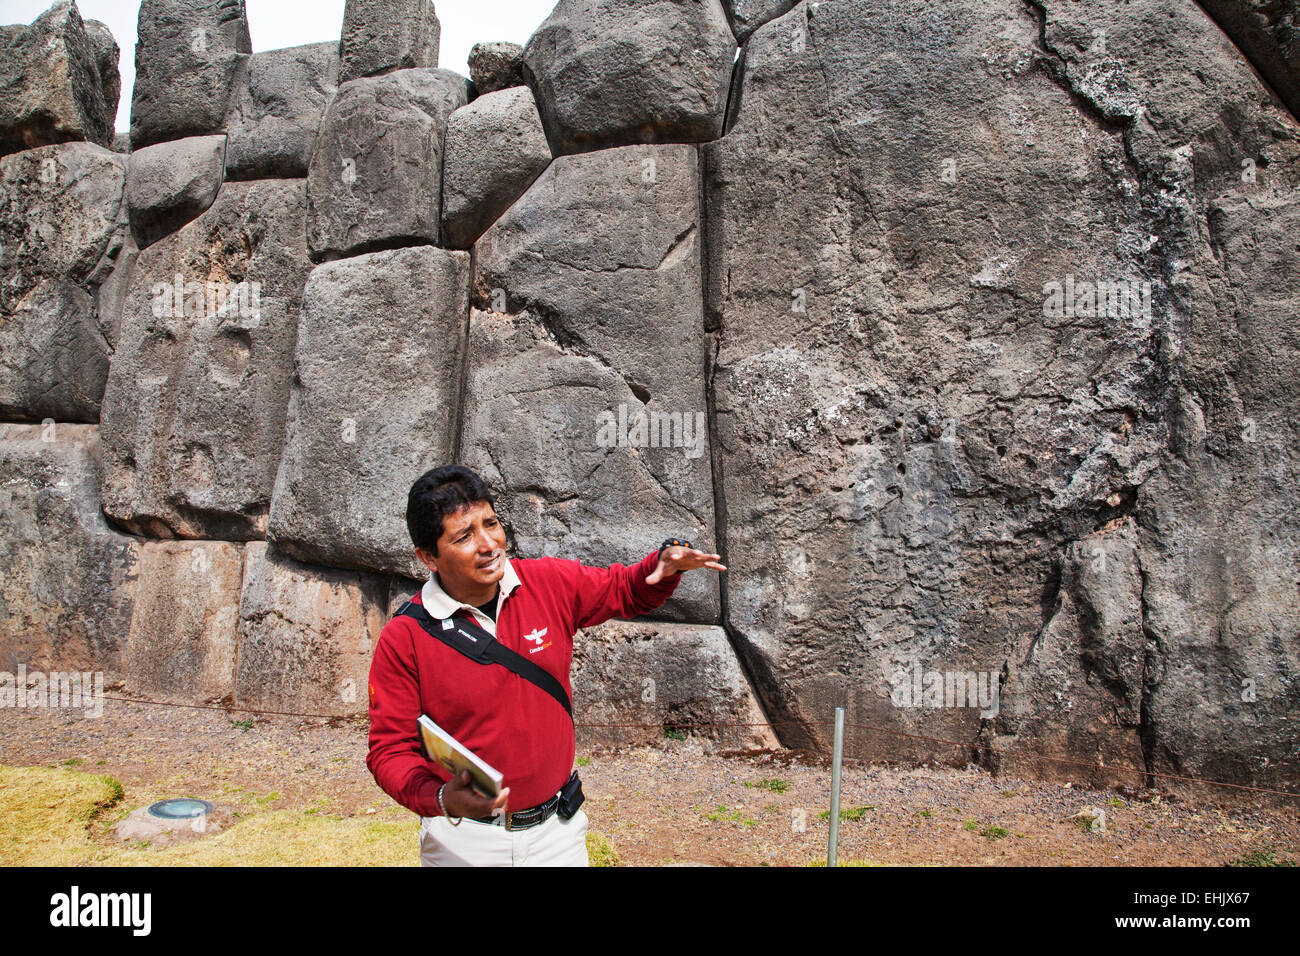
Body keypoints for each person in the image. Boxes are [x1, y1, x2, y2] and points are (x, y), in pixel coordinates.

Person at [365, 464, 726, 866]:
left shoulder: (547, 582)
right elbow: (388, 750)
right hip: (462, 842)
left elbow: (624, 590)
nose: (488, 544)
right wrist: (439, 799)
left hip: (558, 835)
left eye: (492, 523)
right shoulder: (406, 636)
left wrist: (666, 562)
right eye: (464, 536)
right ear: (428, 557)